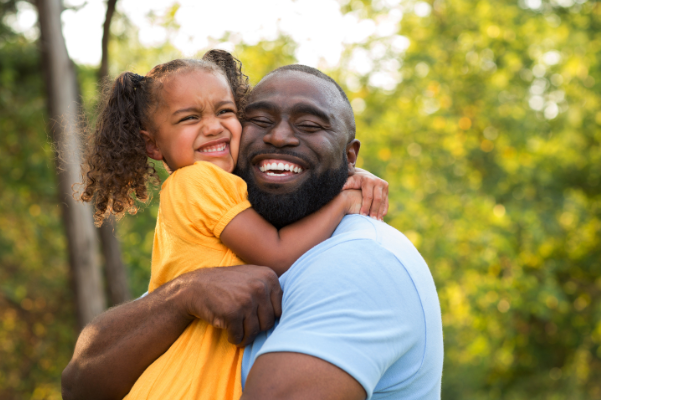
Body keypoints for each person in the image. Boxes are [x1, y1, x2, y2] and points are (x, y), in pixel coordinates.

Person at [63, 64, 443, 400]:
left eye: (309, 126)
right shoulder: (221, 241)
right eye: (258, 121)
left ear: (349, 156)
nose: (278, 137)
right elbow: (80, 382)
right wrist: (185, 293)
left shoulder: (360, 261)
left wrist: (342, 191)